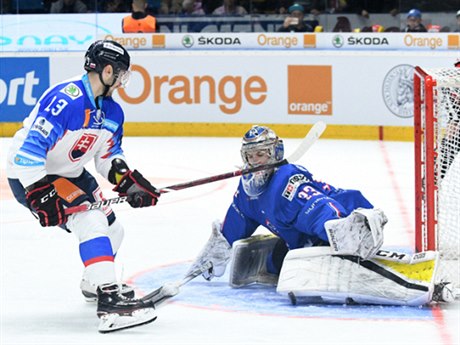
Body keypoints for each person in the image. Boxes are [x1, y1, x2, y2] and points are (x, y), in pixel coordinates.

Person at [187, 125, 453, 306]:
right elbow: (234, 227)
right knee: (278, 263)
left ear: (275, 153)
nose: (256, 161)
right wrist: (214, 253)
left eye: (262, 154)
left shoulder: (287, 182)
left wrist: (338, 229)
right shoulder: (246, 192)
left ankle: (415, 286)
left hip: (349, 220)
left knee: (329, 260)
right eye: (251, 155)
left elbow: (319, 208)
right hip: (302, 236)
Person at [6, 40, 160, 332]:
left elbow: (108, 157)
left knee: (114, 228)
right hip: (34, 174)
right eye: (121, 73)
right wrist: (40, 191)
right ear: (106, 70)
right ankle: (110, 303)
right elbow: (29, 150)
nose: (122, 80)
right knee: (90, 220)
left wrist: (127, 182)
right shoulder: (66, 99)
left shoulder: (113, 113)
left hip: (72, 173)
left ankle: (95, 282)